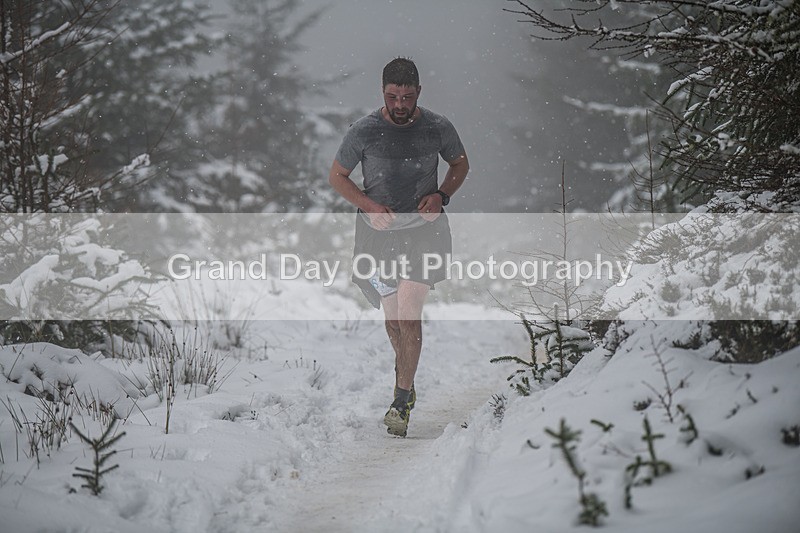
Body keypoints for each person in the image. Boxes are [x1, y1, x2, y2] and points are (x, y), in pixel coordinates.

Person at [328, 57, 469, 437]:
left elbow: (460, 164)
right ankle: (405, 377)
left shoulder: (438, 127)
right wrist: (369, 206)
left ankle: (401, 399)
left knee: (408, 313)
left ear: (419, 92)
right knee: (393, 321)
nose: (400, 105)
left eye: (407, 97)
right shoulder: (364, 131)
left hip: (425, 231)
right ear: (383, 94)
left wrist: (441, 194)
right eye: (393, 97)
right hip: (377, 234)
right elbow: (337, 176)